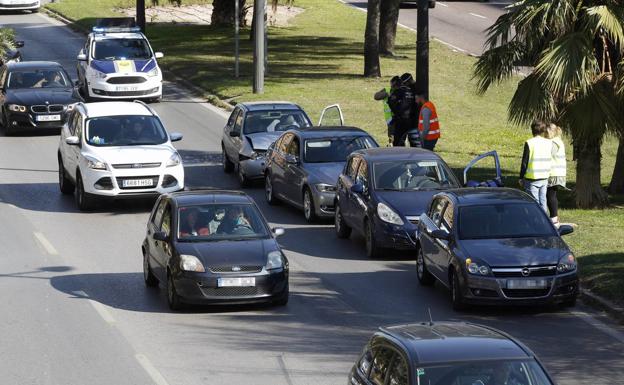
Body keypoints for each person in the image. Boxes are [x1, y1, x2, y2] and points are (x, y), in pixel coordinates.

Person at [519, 120, 555, 213]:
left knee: (533, 203)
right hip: (544, 176)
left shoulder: (530, 143)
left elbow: (524, 162)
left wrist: (521, 177)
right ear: (543, 130)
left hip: (532, 177)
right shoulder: (549, 143)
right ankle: (543, 221)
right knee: (543, 201)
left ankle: (536, 221)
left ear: (532, 130)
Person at [388, 73, 417, 147]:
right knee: (414, 142)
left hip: (401, 121)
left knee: (398, 141)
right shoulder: (415, 90)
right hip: (413, 120)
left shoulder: (399, 91)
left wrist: (397, 113)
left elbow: (391, 101)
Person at [546, 124, 566, 226]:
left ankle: (554, 218)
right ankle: (554, 217)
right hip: (557, 173)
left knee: (550, 195)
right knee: (551, 195)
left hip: (553, 173)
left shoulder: (554, 142)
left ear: (551, 131)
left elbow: (549, 154)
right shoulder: (558, 140)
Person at [374, 76, 401, 146]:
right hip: (389, 119)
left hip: (399, 117)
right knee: (391, 134)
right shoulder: (387, 90)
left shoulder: (401, 91)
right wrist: (386, 94)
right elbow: (376, 96)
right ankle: (391, 144)